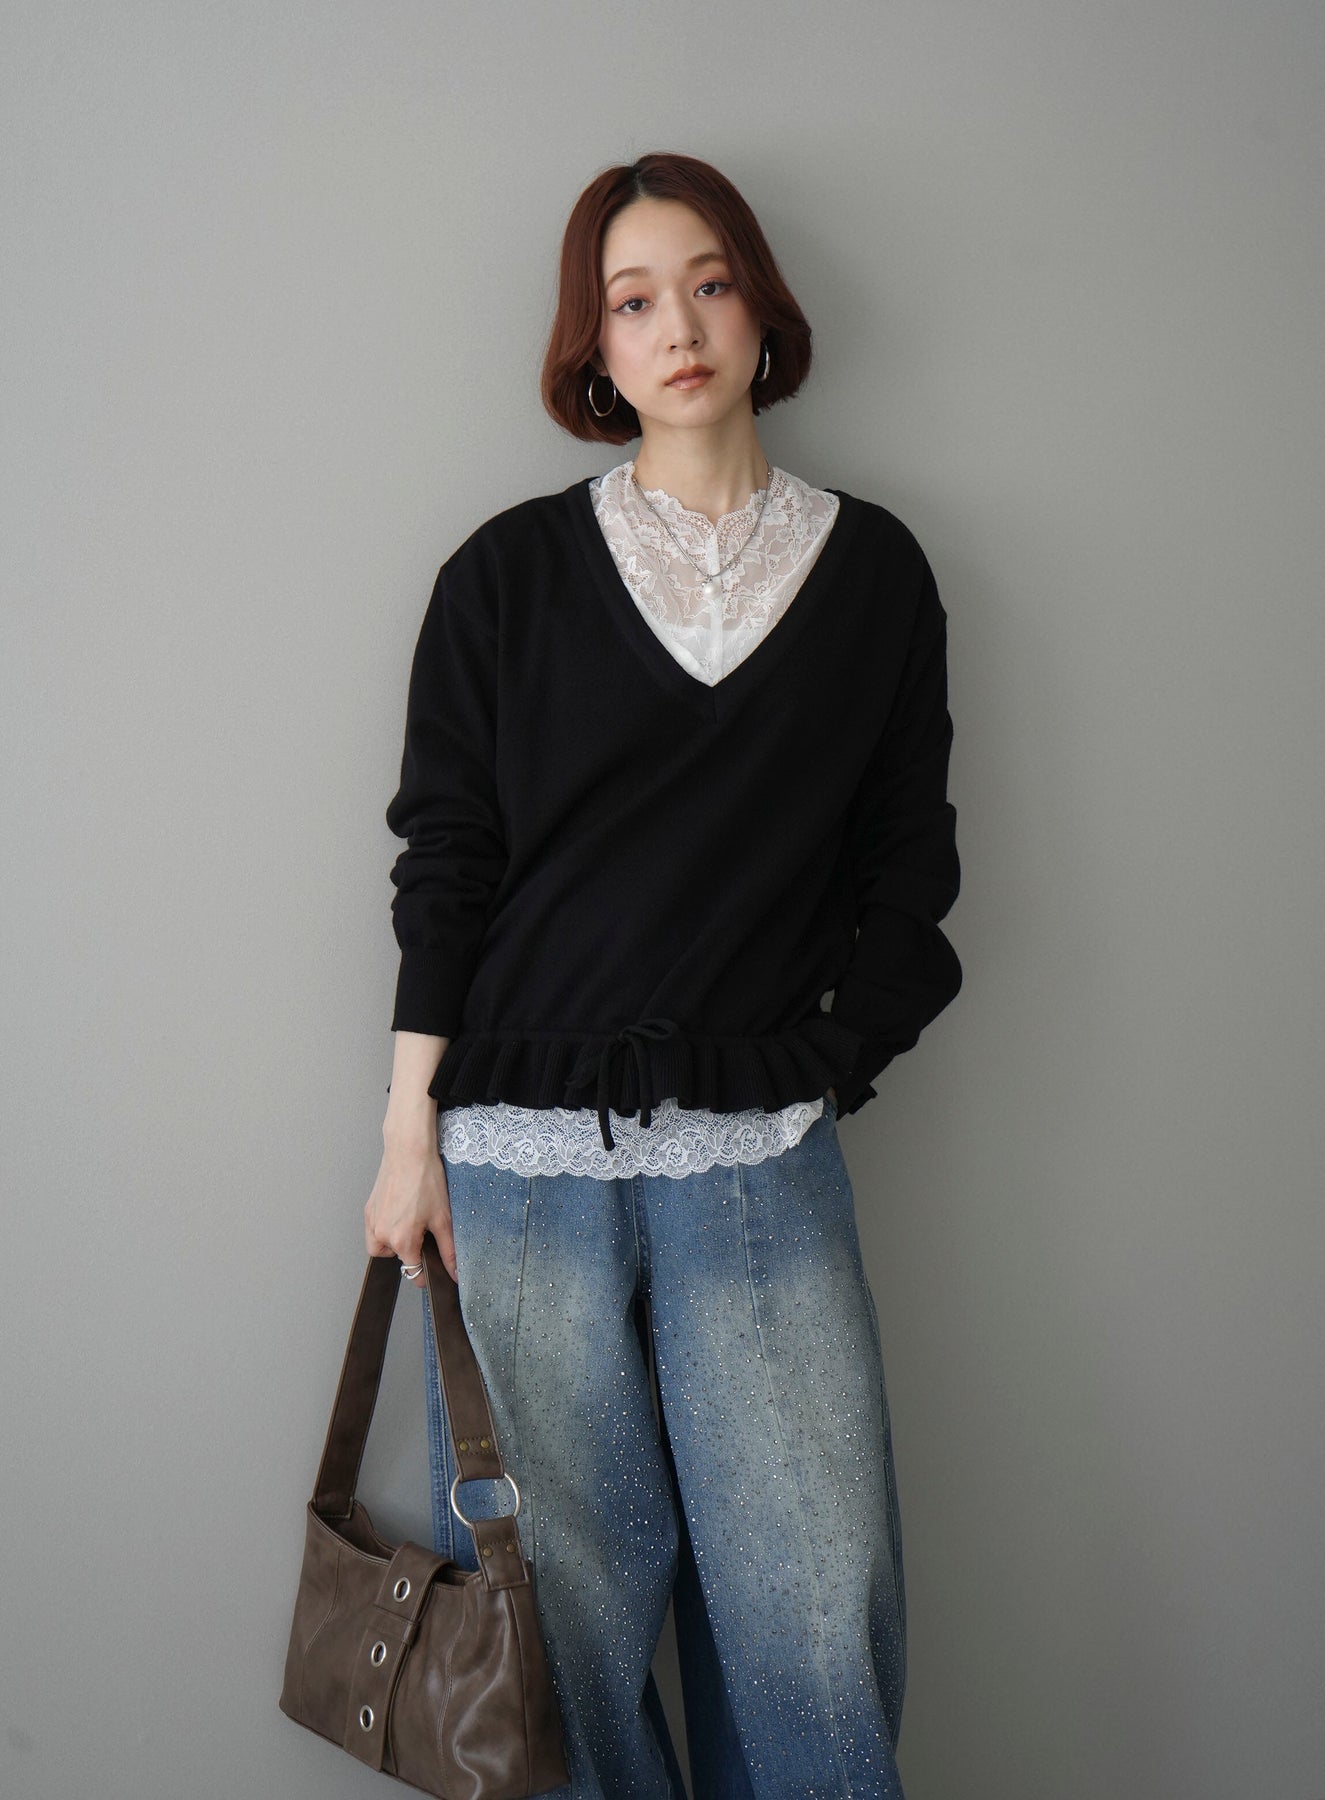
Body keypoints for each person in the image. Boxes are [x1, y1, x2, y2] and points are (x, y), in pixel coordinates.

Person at [365, 150, 962, 1799]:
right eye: (632, 302)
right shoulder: (503, 577)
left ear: (762, 309)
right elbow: (445, 864)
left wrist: (828, 1061)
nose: (678, 329)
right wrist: (409, 1134)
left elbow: (909, 864)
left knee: (813, 1619)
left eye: (708, 284)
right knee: (552, 1636)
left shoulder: (876, 572)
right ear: (595, 348)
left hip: (758, 1159)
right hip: (516, 1165)